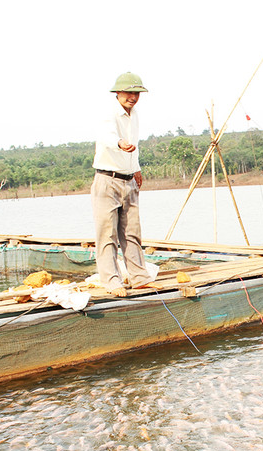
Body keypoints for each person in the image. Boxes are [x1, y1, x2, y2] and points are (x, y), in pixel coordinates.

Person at [91, 72, 152, 297]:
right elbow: (106, 136)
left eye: (136, 93)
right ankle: (111, 281)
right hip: (107, 179)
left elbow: (134, 144)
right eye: (129, 93)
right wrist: (119, 143)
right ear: (118, 92)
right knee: (107, 234)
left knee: (132, 232)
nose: (133, 97)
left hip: (128, 180)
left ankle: (139, 278)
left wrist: (136, 168)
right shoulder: (108, 113)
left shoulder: (134, 114)